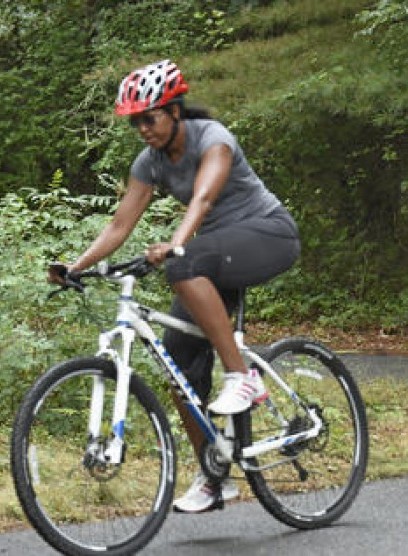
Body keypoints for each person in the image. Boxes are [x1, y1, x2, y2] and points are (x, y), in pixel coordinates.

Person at [47, 60, 301, 512]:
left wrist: (177, 244)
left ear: (176, 111)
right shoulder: (150, 162)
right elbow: (120, 225)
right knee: (178, 359)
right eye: (135, 122)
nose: (143, 129)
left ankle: (241, 374)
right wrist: (76, 265)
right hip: (215, 251)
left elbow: (203, 197)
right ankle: (215, 472)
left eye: (151, 117)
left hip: (268, 234)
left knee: (183, 267)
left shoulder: (214, 138)